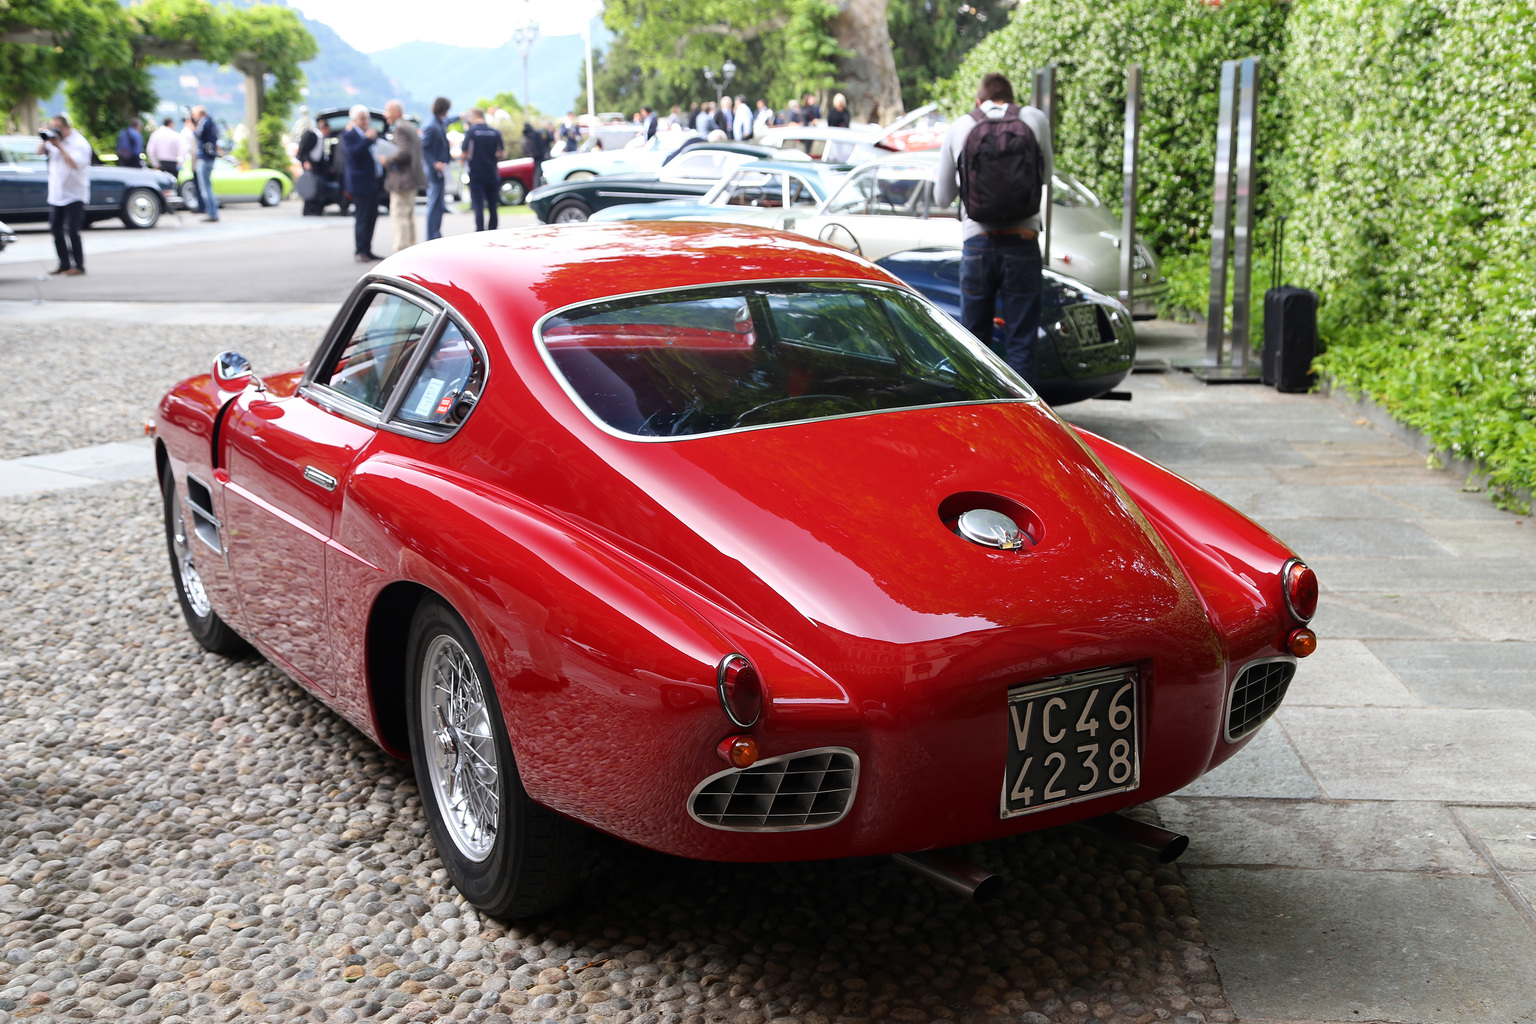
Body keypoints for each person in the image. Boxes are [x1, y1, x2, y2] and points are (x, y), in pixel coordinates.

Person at [935, 71, 1053, 383]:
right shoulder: (1034, 119)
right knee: (1022, 346)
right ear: (1012, 100)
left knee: (974, 347)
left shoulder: (962, 125)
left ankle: (980, 425)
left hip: (978, 245)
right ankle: (1023, 426)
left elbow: (942, 195)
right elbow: (1045, 177)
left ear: (979, 101)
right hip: (1023, 243)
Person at [38, 114, 91, 276]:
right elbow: (39, 152)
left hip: (75, 193)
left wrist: (60, 146)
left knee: (72, 230)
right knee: (55, 229)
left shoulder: (79, 143)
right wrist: (44, 138)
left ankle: (79, 265)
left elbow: (75, 164)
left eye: (57, 128)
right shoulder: (52, 142)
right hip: (57, 193)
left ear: (66, 127)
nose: (55, 131)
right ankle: (64, 263)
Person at [339, 104, 381, 261]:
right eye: (362, 119)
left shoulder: (369, 134)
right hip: (359, 183)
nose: (365, 122)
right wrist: (368, 140)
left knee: (372, 216)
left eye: (367, 118)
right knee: (362, 217)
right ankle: (360, 250)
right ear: (355, 120)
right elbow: (353, 154)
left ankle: (368, 249)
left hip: (372, 181)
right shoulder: (348, 135)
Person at [383, 100, 425, 251]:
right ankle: (411, 247)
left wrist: (386, 160)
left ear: (395, 112)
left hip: (402, 180)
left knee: (399, 215)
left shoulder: (400, 128)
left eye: (387, 110)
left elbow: (403, 152)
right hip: (411, 179)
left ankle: (402, 249)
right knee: (408, 216)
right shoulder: (409, 126)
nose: (385, 114)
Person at [461, 108, 504, 232]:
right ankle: (493, 229)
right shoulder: (495, 132)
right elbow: (502, 153)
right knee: (493, 204)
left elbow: (464, 153)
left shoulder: (471, 132)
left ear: (474, 117)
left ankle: (480, 230)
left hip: (476, 172)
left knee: (478, 204)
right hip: (492, 171)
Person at [421, 96, 452, 241]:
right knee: (434, 204)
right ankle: (431, 235)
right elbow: (423, 148)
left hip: (441, 169)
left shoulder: (439, 122)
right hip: (434, 170)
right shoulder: (431, 126)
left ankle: (436, 233)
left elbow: (449, 121)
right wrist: (434, 163)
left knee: (439, 204)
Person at [296, 118, 333, 216]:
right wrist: (305, 161)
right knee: (310, 187)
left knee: (318, 187)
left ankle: (316, 209)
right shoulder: (311, 135)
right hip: (310, 165)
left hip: (317, 166)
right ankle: (308, 210)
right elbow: (302, 151)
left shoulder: (322, 139)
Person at [191, 105, 220, 221]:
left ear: (201, 114)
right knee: (209, 186)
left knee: (205, 188)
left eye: (195, 115)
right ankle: (213, 212)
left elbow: (197, 135)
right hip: (211, 158)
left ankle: (211, 213)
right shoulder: (213, 123)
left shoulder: (204, 122)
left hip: (204, 158)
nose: (194, 118)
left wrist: (192, 127)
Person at [521, 119, 551, 188]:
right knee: (538, 174)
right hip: (539, 157)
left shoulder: (526, 136)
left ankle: (537, 186)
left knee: (537, 174)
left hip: (531, 158)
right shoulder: (536, 134)